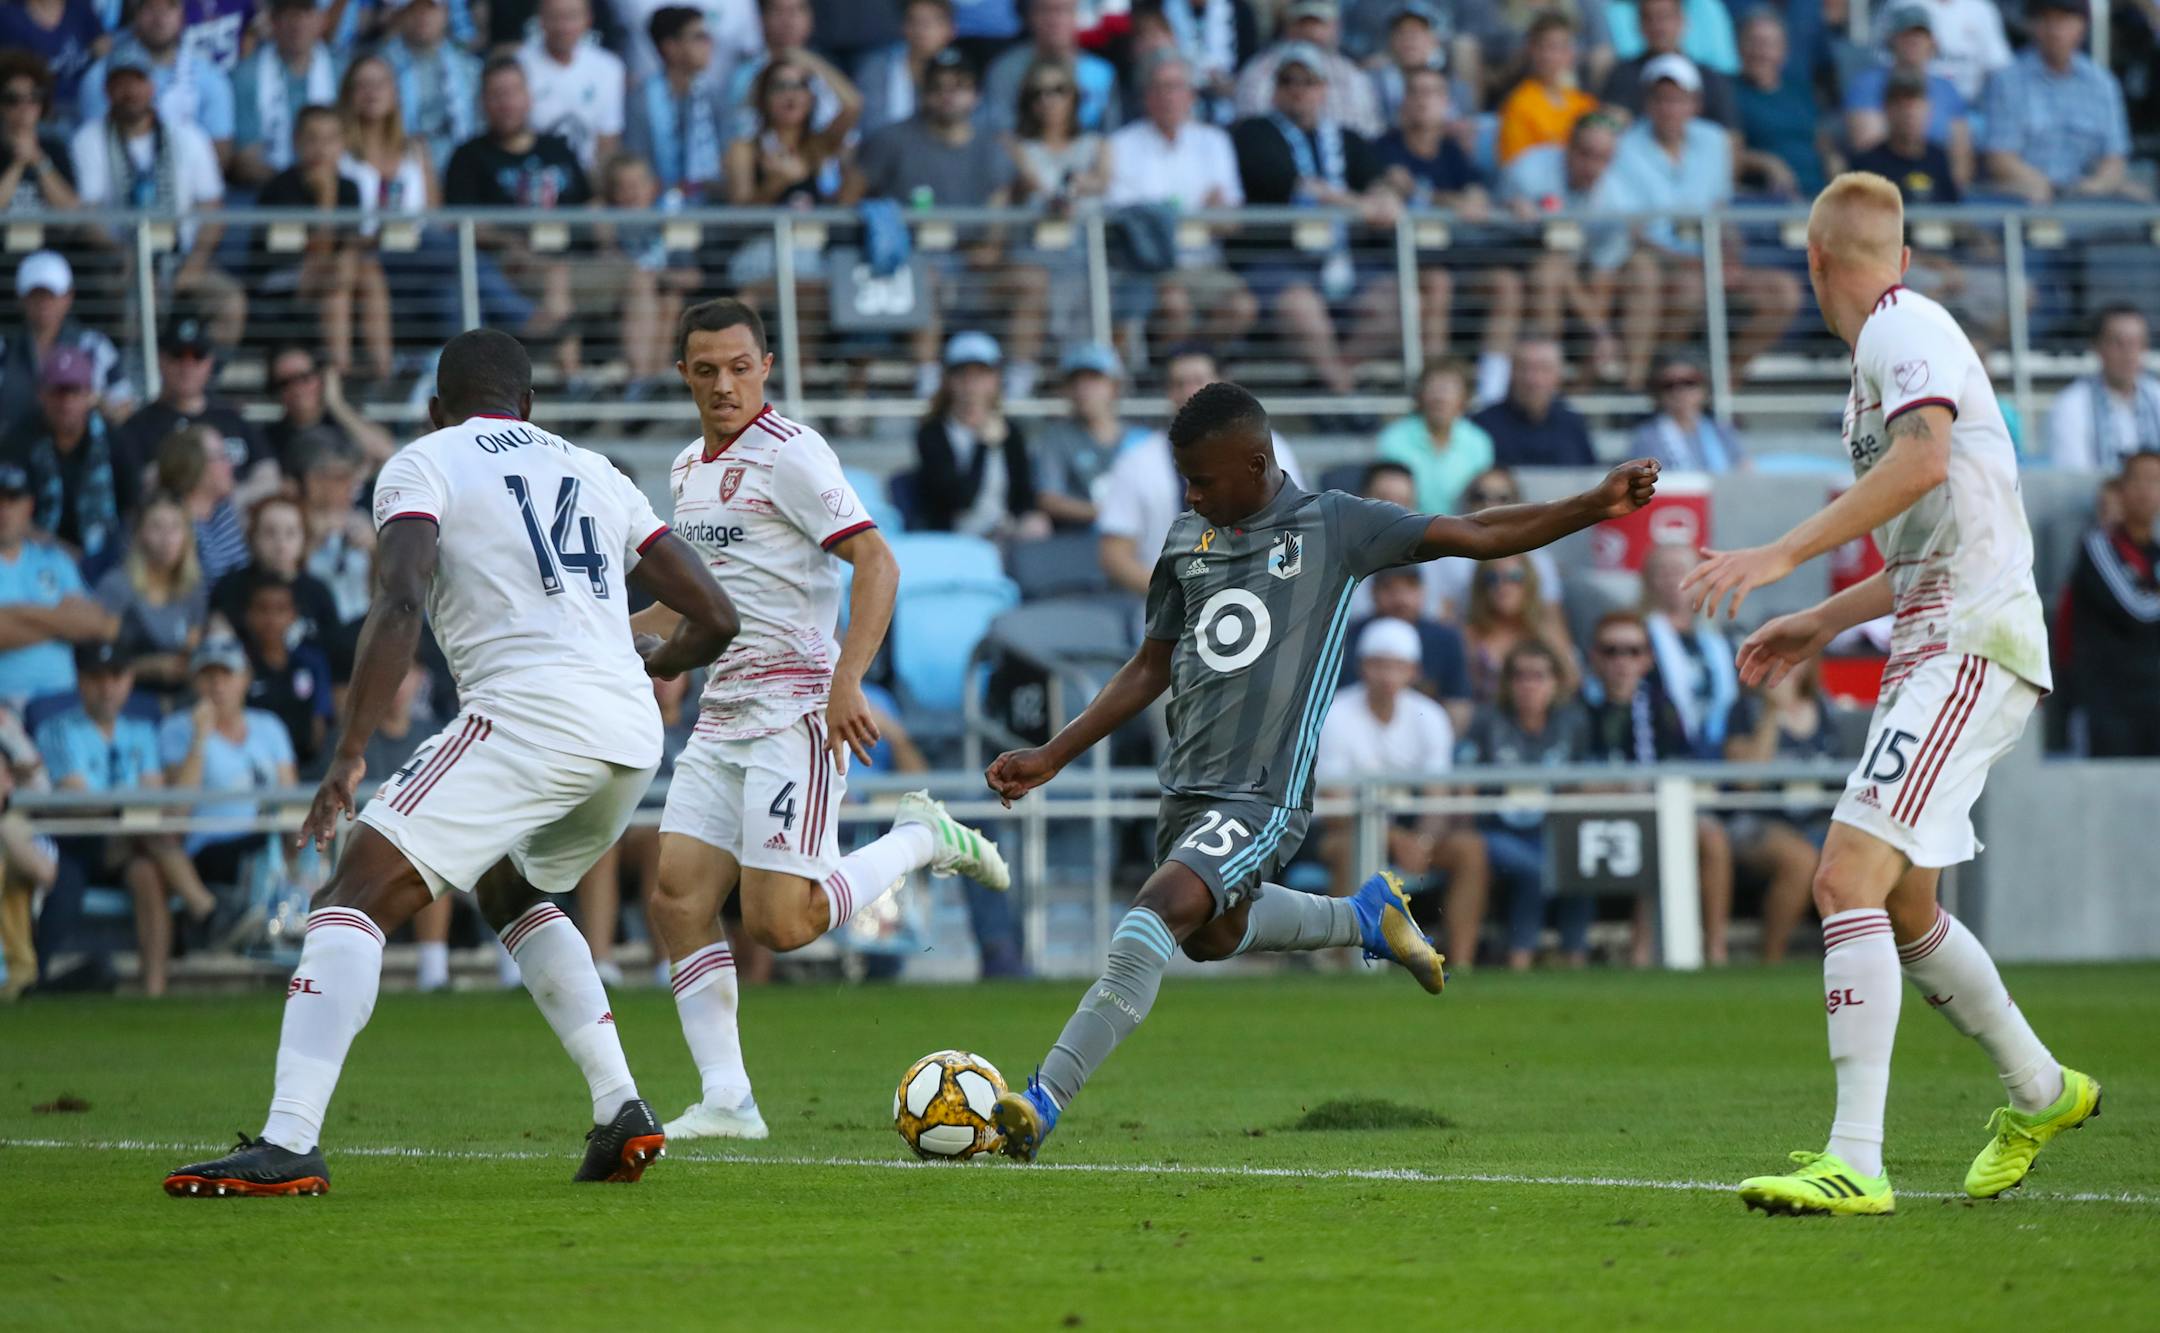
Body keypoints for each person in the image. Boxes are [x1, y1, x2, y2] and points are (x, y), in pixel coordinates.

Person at [981, 382, 1656, 1160]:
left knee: (1156, 911)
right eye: (1184, 481)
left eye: (1203, 479)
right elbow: (1149, 666)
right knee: (1209, 935)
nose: (1192, 495)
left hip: (1264, 790)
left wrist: (1590, 504)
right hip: (1187, 787)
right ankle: (1366, 916)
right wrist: (1051, 754)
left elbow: (1475, 531)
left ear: (1257, 462)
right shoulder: (1183, 542)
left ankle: (1040, 1100)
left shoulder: (1336, 525)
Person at [162, 327, 745, 1197]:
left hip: (527, 714)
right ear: (531, 405)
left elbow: (399, 598)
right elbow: (717, 615)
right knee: (508, 886)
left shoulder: (424, 459)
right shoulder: (594, 468)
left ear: (438, 408)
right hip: (628, 732)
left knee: (350, 890)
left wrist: (348, 754)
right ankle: (621, 1103)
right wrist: (654, 661)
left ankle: (289, 1139)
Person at [1684, 172, 2095, 1215]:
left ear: (1814, 261)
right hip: (1939, 629)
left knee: (1841, 878)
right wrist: (1825, 618)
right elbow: (1934, 516)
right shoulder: (1895, 344)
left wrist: (1780, 552)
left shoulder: (1896, 329)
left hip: (1966, 638)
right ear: (1899, 254)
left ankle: (1857, 1158)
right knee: (1906, 906)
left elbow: (1920, 463)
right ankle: (2043, 1090)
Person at [627, 299, 1009, 1143]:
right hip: (722, 714)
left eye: (738, 367)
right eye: (705, 370)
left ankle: (922, 837)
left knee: (781, 922)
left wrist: (849, 679)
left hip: (795, 709)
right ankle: (727, 1098)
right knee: (678, 900)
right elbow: (690, 604)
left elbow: (876, 559)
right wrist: (612, 644)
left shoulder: (793, 455)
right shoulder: (688, 467)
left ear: (766, 366)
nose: (723, 384)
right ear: (683, 375)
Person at [857, 47, 1046, 400]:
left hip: (976, 270)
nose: (948, 94)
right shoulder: (890, 140)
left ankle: (1018, 385)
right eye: (938, 86)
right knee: (925, 276)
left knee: (1031, 280)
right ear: (923, 92)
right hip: (907, 268)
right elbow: (851, 197)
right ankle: (927, 382)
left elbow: (998, 219)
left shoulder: (994, 146)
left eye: (958, 86)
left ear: (975, 95)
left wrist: (988, 249)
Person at [36, 641, 218, 998]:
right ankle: (205, 908)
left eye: (116, 677)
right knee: (147, 830)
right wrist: (130, 811)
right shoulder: (59, 729)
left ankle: (152, 994)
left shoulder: (141, 731)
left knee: (146, 872)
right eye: (97, 678)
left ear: (129, 681)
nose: (107, 688)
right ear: (81, 682)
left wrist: (133, 811)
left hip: (131, 843)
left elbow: (154, 799)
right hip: (78, 843)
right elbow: (78, 803)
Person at [1611, 55, 1802, 385]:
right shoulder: (1626, 147)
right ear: (1648, 103)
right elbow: (1635, 233)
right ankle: (1663, 381)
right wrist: (1694, 263)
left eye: (1677, 99)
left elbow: (1721, 212)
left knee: (1783, 292)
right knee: (1688, 289)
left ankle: (1723, 382)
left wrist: (1730, 258)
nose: (1669, 108)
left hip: (1707, 259)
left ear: (1694, 104)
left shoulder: (1714, 142)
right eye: (1661, 99)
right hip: (1658, 260)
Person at [1230, 43, 1405, 399]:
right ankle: (1345, 396)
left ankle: (1329, 380)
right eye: (1289, 81)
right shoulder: (1253, 132)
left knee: (1400, 300)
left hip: (1343, 258)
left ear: (1323, 89)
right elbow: (1286, 179)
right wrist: (1359, 205)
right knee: (1300, 306)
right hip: (1281, 259)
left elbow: (1375, 178)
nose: (1298, 89)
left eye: (1308, 82)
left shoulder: (1347, 137)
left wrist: (1385, 196)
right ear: (1276, 90)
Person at [1314, 615, 1488, 969]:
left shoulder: (1431, 715)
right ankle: (1348, 962)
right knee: (1351, 848)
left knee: (1470, 851)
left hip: (1410, 829)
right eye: (1378, 664)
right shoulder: (1337, 714)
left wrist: (1422, 841)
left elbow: (1438, 795)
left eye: (1396, 666)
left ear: (1413, 671)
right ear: (1363, 667)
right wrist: (1395, 839)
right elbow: (1335, 803)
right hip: (1343, 829)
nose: (1387, 675)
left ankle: (1461, 961)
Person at [1578, 608, 1734, 966]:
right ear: (1595, 657)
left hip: (1650, 811)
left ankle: (1715, 952)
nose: (1622, 662)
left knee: (1709, 837)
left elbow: (1684, 765)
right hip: (1591, 820)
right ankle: (1639, 953)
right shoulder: (1577, 704)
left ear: (1648, 659)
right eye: (1611, 651)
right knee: (1654, 833)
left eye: (1632, 651)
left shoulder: (1662, 707)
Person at [1094, 345, 1306, 594]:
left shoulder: (1272, 450)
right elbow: (1114, 554)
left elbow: (1295, 529)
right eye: (1178, 383)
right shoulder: (1136, 462)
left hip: (1259, 607)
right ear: (1168, 393)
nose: (1190, 392)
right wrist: (1173, 594)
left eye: (1199, 381)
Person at [69, 60, 244, 349]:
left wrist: (195, 264)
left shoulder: (188, 136)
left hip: (182, 257)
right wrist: (124, 255)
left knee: (229, 301)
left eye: (137, 82)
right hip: (118, 260)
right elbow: (86, 216)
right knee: (140, 291)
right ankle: (139, 383)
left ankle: (202, 382)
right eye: (121, 84)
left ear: (152, 87)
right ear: (107, 91)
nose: (130, 92)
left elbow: (213, 208)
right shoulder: (88, 139)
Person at [1378, 65, 1521, 396]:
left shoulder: (1452, 150)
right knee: (1438, 281)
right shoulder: (1385, 146)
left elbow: (1477, 197)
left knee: (1506, 284)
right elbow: (1389, 188)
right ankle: (1435, 387)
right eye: (1416, 92)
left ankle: (1491, 391)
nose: (1424, 101)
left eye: (1433, 93)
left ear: (1445, 102)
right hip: (1403, 261)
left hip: (1458, 256)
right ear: (1403, 101)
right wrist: (1451, 201)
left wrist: (1428, 194)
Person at [1103, 51, 1257, 354]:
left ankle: (1197, 368)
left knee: (1243, 306)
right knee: (1175, 304)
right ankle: (1176, 379)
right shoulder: (1120, 144)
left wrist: (1164, 215)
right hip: (1149, 267)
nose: (1167, 96)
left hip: (1205, 264)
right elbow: (1126, 218)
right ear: (1145, 96)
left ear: (1191, 95)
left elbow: (1231, 218)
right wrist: (1199, 214)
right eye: (1159, 87)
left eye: (1175, 87)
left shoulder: (1215, 142)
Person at [442, 59, 592, 362]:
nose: (506, 103)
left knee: (642, 278)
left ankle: (644, 382)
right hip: (509, 266)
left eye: (512, 92)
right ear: (483, 102)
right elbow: (460, 223)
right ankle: (570, 379)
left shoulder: (558, 147)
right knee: (556, 274)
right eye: (497, 94)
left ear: (528, 97)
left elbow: (589, 202)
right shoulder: (467, 156)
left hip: (575, 259)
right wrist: (508, 242)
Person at [1456, 638, 1591, 969]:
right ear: (1508, 683)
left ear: (1556, 682)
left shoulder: (1572, 723)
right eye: (1520, 676)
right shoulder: (1487, 721)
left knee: (1581, 862)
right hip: (1497, 831)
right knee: (1536, 868)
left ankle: (1577, 956)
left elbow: (1582, 782)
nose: (1529, 685)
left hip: (1552, 831)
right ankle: (1520, 959)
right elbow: (1465, 783)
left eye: (1539, 676)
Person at [1502, 113, 1644, 387]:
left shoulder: (1617, 200)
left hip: (1577, 273)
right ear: (1568, 146)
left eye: (1603, 158)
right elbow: (1497, 227)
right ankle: (1544, 383)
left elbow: (1604, 272)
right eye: (1585, 154)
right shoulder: (1528, 171)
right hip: (1512, 259)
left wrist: (1597, 333)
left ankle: (1590, 386)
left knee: (1604, 277)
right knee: (1549, 271)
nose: (1592, 166)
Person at [157, 636, 295, 913]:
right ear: (195, 682)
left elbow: (290, 796)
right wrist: (199, 739)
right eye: (208, 676)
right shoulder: (176, 729)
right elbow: (177, 810)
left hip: (265, 837)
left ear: (245, 679)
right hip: (211, 845)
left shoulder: (269, 726)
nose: (217, 686)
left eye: (226, 674)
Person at [254, 106, 390, 384]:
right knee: (342, 272)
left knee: (364, 272)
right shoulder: (279, 188)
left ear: (342, 143)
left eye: (330, 139)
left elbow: (347, 246)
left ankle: (381, 370)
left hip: (334, 279)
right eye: (312, 139)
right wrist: (326, 197)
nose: (321, 148)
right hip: (282, 281)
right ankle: (341, 371)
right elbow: (316, 251)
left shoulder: (349, 187)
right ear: (296, 142)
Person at [1722, 656, 1839, 964]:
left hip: (1816, 820)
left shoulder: (1823, 709)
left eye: (1794, 657)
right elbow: (1748, 782)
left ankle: (1850, 958)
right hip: (1756, 820)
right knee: (1800, 860)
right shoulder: (1744, 710)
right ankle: (1771, 959)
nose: (1785, 668)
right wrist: (1772, 712)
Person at [112, 314, 276, 513]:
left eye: (197, 356)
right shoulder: (138, 427)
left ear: (210, 362)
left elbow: (269, 476)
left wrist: (230, 502)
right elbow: (140, 490)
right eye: (178, 355)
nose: (187, 366)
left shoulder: (232, 418)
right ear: (161, 360)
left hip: (236, 532)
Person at [1980, 0, 2137, 206]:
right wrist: (2045, 188)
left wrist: (2092, 187)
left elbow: (2115, 159)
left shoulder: (2102, 83)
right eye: (2046, 20)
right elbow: (2000, 158)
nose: (2055, 30)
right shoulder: (2007, 81)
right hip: (2027, 198)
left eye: (2064, 20)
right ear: (2032, 25)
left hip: (2089, 200)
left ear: (2082, 26)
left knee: (2140, 207)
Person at [2060, 450, 2160, 757]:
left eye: (2155, 481)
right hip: (2109, 709)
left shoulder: (2155, 552)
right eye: (2138, 480)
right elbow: (2138, 611)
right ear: (2122, 489)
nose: (2146, 490)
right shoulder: (2098, 546)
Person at [911, 331, 1047, 539]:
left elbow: (1024, 498)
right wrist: (982, 444)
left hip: (1004, 534)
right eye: (962, 374)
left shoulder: (1011, 432)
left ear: (996, 380)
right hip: (953, 538)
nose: (971, 384)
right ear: (948, 381)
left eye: (981, 374)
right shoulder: (932, 434)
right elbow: (960, 500)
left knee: (1037, 526)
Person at [0, 460, 113, 710]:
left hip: (64, 698)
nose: (4, 511)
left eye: (12, 500)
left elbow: (97, 623)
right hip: (5, 705)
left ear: (28, 506)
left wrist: (14, 614)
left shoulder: (54, 559)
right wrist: (63, 621)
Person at [2, 347, 123, 576]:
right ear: (41, 394)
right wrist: (63, 553)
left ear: (89, 395)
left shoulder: (112, 438)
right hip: (33, 560)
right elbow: (8, 512)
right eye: (58, 392)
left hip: (108, 560)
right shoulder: (17, 442)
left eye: (74, 392)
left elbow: (133, 508)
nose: (66, 402)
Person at [77, 0, 235, 153]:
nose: (159, 18)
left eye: (169, 7)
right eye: (150, 7)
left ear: (182, 15)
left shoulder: (210, 77)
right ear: (136, 15)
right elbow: (94, 147)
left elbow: (220, 151)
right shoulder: (100, 76)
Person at [0, 252, 131, 434]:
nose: (44, 303)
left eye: (51, 295)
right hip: (13, 456)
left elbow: (124, 407)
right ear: (21, 299)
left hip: (83, 457)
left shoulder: (95, 347)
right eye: (36, 295)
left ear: (69, 296)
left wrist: (92, 402)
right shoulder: (3, 349)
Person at [1843, 4, 1971, 189]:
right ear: (1891, 40)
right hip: (1886, 183)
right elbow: (1868, 149)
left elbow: (1961, 154)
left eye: (1920, 34)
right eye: (1906, 34)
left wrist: (1951, 194)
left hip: (1939, 184)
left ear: (1932, 42)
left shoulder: (1947, 89)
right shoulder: (1867, 85)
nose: (1914, 41)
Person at [94, 495, 208, 697]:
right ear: (139, 535)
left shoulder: (194, 587)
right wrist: (146, 669)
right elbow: (98, 657)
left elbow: (192, 650)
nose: (167, 538)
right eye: (157, 527)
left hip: (180, 696)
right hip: (125, 694)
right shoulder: (117, 585)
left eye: (175, 528)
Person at [1030, 342, 1145, 529]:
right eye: (1075, 381)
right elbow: (1049, 499)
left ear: (1114, 386)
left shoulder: (1140, 439)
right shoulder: (1055, 437)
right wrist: (1107, 512)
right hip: (1078, 541)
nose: (1083, 389)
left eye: (1094, 379)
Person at [1638, 540, 1738, 754]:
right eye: (1663, 571)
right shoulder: (1637, 637)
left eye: (1681, 571)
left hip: (1719, 748)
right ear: (1648, 580)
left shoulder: (1719, 639)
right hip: (1663, 748)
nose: (1673, 579)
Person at [229, 0, 341, 187]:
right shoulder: (245, 76)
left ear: (322, 20)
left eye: (306, 13)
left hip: (331, 186)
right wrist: (293, 188)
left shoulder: (341, 71)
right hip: (265, 192)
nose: (298, 23)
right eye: (288, 14)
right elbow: (245, 158)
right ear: (273, 22)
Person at [1232, 0, 1382, 138]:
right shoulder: (1259, 69)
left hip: (1340, 157)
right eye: (1303, 23)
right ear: (1288, 26)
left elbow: (1367, 131)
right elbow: (1251, 130)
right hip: (1277, 156)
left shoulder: (1351, 74)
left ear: (1335, 28)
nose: (1310, 31)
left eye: (1318, 23)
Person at [626, 6, 729, 200]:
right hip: (655, 207)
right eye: (699, 37)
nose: (709, 44)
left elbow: (727, 158)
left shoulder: (715, 97)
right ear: (670, 47)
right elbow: (636, 160)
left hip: (713, 209)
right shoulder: (640, 101)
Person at [516, 0, 625, 174]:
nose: (563, 26)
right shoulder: (519, 65)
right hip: (530, 175)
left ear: (588, 19)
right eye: (555, 17)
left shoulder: (609, 67)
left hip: (587, 177)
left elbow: (608, 140)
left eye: (572, 16)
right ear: (540, 19)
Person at [982, 0, 1121, 135]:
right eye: (1045, 10)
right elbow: (1000, 130)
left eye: (1065, 10)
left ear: (1079, 14)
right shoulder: (1005, 69)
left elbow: (1111, 134)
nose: (1055, 20)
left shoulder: (1102, 73)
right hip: (1021, 155)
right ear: (1030, 16)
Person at [2048, 305, 2160, 471]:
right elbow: (2073, 479)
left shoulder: (2156, 395)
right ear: (2097, 347)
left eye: (2135, 343)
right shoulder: (2070, 405)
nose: (2128, 353)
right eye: (2118, 343)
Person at [1733, 7, 1830, 198]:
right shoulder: (1729, 92)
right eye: (1753, 42)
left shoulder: (1799, 90)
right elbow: (1728, 155)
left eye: (1769, 44)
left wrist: (1834, 160)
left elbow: (1819, 138)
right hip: (1766, 197)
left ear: (1783, 51)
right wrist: (1766, 162)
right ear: (1738, 46)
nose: (1761, 52)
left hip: (1817, 192)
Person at [721, 0, 850, 143]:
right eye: (778, 11)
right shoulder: (745, 76)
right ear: (762, 18)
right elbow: (739, 134)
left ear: (811, 18)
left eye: (797, 10)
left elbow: (847, 136)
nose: (788, 20)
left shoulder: (826, 72)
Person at [1377, 359, 1494, 516]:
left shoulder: (1479, 442)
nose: (1440, 397)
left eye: (1449, 389)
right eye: (1433, 387)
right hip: (1409, 530)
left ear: (1464, 398)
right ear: (1420, 395)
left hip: (1465, 531)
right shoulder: (1393, 438)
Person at [375, 0, 481, 173]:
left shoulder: (470, 68)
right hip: (399, 165)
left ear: (446, 13)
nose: (422, 15)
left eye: (431, 8)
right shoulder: (380, 67)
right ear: (401, 15)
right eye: (414, 9)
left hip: (462, 166)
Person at [1461, 549, 1579, 705]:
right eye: (1492, 578)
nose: (1502, 586)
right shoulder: (1468, 635)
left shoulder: (1545, 630)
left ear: (1528, 583)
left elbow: (1571, 682)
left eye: (1514, 577)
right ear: (1481, 586)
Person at [262, 344, 395, 479]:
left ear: (322, 378)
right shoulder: (268, 439)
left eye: (304, 377)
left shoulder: (346, 423)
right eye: (285, 383)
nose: (297, 389)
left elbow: (386, 452)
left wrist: (336, 403)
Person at [1598, 0, 1737, 128]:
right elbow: (1611, 126)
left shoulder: (1710, 79)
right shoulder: (1622, 74)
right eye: (1649, 18)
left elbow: (1730, 137)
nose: (1657, 26)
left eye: (1664, 17)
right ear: (1639, 25)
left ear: (1682, 21)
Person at [1471, 338, 1595, 469]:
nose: (1533, 379)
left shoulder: (1573, 424)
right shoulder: (1482, 425)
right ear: (1511, 372)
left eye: (1543, 369)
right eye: (1524, 368)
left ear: (1558, 374)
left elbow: (1590, 476)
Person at [1495, 10, 1596, 165]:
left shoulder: (1584, 103)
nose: (1551, 56)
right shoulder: (1518, 105)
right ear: (1531, 50)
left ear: (1571, 53)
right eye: (1545, 47)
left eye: (1561, 47)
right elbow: (1516, 168)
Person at [155, 424, 250, 583]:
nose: (230, 465)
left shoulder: (225, 510)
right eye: (222, 456)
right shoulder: (170, 523)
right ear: (195, 465)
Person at [1629, 350, 1744, 474]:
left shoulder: (1722, 431)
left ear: (1704, 388)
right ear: (1657, 393)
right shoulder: (1646, 437)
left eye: (1689, 382)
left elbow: (1744, 470)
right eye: (1669, 385)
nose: (1679, 391)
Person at [0, 52, 85, 219]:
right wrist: (18, 163)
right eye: (13, 99)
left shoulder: (55, 149)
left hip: (50, 244)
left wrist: (39, 160)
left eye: (34, 97)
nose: (24, 106)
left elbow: (72, 213)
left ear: (42, 104)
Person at [858, 0, 956, 135]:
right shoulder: (877, 68)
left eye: (932, 22)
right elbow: (873, 127)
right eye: (915, 21)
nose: (922, 30)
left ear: (951, 30)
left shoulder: (963, 70)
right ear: (903, 27)